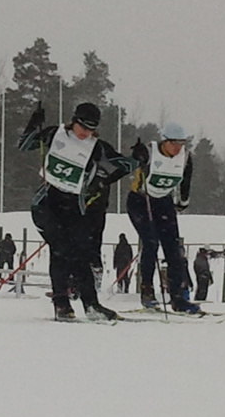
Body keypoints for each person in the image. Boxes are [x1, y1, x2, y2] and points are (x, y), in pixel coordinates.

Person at [19, 101, 135, 321]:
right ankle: (61, 304)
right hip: (46, 203)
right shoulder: (55, 134)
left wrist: (136, 159)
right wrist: (34, 124)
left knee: (81, 254)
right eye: (82, 127)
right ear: (74, 121)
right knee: (60, 250)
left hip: (73, 205)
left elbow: (124, 165)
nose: (85, 133)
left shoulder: (97, 147)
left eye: (91, 129)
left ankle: (91, 305)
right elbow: (25, 145)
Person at [126, 122, 200, 314]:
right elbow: (128, 165)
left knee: (173, 248)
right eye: (173, 143)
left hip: (163, 201)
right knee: (151, 242)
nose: (177, 148)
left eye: (181, 143)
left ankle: (178, 297)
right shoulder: (150, 152)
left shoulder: (185, 157)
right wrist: (136, 157)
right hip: (141, 200)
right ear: (164, 141)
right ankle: (147, 291)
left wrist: (183, 202)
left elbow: (186, 180)